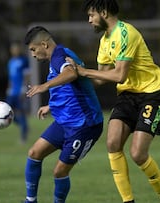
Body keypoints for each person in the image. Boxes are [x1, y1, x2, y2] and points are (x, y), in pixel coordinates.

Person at [66, 1, 160, 202]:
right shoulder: (104, 41)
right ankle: (128, 201)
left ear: (104, 12)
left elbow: (119, 76)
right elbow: (100, 78)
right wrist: (75, 78)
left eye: (91, 15)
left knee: (138, 154)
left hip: (153, 94)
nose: (89, 20)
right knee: (112, 143)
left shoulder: (126, 33)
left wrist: (83, 71)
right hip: (128, 96)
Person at [23, 26, 104, 203]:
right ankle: (30, 201)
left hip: (84, 125)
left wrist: (43, 87)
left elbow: (71, 74)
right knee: (34, 153)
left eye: (33, 50)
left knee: (59, 171)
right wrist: (51, 106)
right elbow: (71, 89)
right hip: (65, 121)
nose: (33, 55)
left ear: (44, 44)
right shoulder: (60, 56)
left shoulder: (59, 56)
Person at [6, 41, 30, 144]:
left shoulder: (24, 61)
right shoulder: (10, 62)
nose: (14, 50)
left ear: (19, 49)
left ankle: (23, 137)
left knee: (21, 112)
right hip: (12, 92)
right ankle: (24, 126)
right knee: (7, 113)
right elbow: (11, 77)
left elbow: (27, 75)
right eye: (13, 48)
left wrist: (24, 88)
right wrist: (8, 88)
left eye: (16, 48)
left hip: (20, 90)